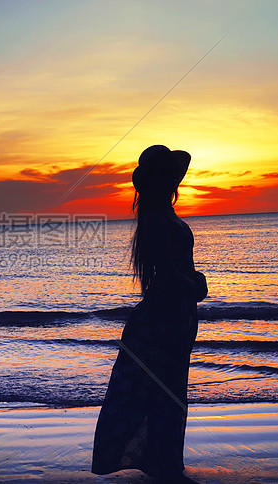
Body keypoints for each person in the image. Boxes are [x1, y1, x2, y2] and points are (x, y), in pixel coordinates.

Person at [92, 145, 208, 482]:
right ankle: (163, 464)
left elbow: (170, 273)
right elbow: (170, 273)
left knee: (167, 391)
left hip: (174, 316)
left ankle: (164, 462)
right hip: (164, 317)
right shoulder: (157, 219)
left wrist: (191, 286)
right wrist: (196, 285)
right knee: (161, 392)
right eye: (167, 174)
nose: (173, 179)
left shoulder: (161, 215)